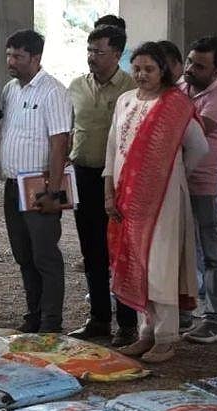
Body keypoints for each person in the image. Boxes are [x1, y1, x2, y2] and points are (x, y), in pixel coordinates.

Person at [106, 42, 208, 364]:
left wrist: (170, 172)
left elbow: (199, 148)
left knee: (159, 265)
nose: (142, 74)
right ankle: (144, 333)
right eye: (137, 68)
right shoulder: (124, 101)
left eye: (149, 69)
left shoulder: (175, 105)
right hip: (126, 196)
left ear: (163, 70)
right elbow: (112, 151)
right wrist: (110, 191)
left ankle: (165, 338)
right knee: (135, 262)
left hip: (163, 199)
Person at [66, 24, 138, 345]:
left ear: (117, 54)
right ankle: (98, 319)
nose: (92, 57)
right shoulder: (76, 86)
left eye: (99, 51)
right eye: (90, 50)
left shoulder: (132, 88)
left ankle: (127, 324)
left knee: (120, 251)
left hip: (120, 181)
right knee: (91, 249)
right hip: (82, 175)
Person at [0, 29, 73, 333]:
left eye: (18, 56)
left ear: (36, 57)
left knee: (45, 255)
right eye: (9, 55)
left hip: (40, 185)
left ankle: (50, 321)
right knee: (23, 254)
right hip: (11, 184)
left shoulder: (53, 91)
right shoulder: (10, 90)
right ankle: (34, 314)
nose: (11, 61)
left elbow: (60, 144)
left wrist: (54, 193)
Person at [180, 36, 217, 344]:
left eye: (199, 66)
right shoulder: (182, 88)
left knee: (212, 251)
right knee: (184, 249)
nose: (190, 69)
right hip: (179, 183)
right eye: (189, 62)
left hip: (207, 185)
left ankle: (214, 319)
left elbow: (191, 134)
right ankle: (186, 312)